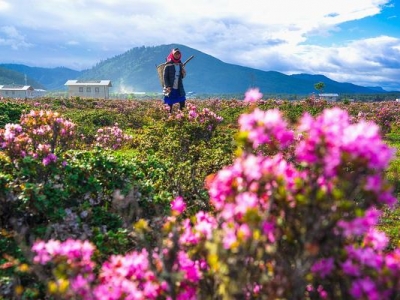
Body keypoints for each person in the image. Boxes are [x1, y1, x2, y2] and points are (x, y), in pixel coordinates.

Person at [163, 48, 186, 113]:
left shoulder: (180, 65)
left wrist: (183, 72)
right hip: (170, 88)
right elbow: (165, 77)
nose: (177, 55)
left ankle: (181, 117)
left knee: (182, 101)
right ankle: (169, 118)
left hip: (179, 87)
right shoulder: (168, 65)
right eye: (175, 54)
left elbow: (182, 76)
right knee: (169, 104)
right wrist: (167, 86)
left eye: (178, 54)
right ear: (173, 54)